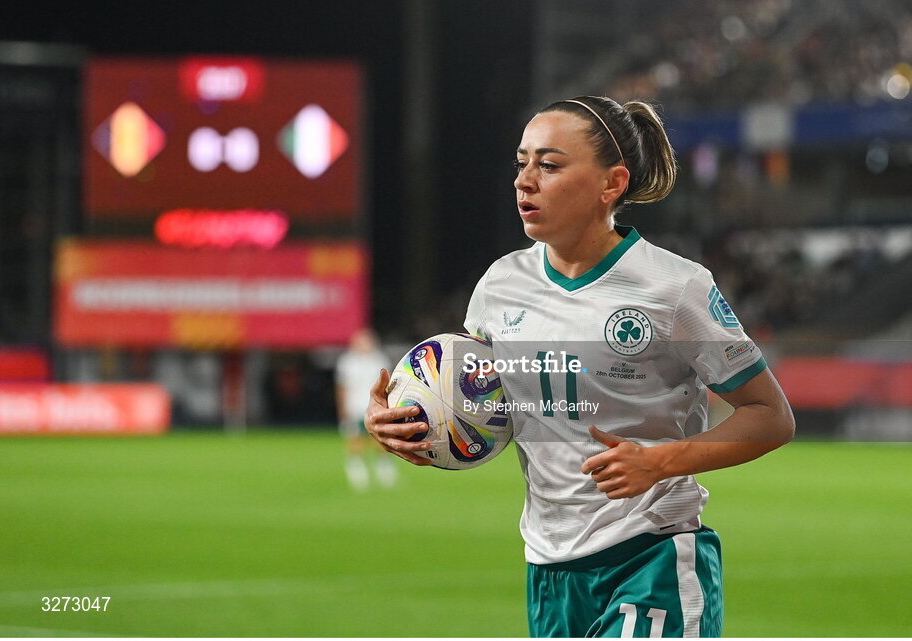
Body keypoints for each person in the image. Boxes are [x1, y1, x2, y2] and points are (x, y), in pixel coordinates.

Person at [365, 95, 794, 637]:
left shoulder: (673, 288)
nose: (524, 180)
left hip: (652, 556)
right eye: (520, 162)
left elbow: (770, 414)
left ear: (610, 185)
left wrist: (661, 462)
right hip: (549, 570)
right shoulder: (500, 286)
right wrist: (411, 427)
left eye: (548, 164)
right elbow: (478, 406)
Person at [336, 328, 396, 491]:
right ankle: (357, 472)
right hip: (354, 407)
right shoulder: (347, 362)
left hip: (375, 408)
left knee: (380, 440)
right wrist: (342, 408)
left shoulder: (379, 360)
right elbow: (342, 387)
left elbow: (387, 385)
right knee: (356, 441)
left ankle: (384, 470)